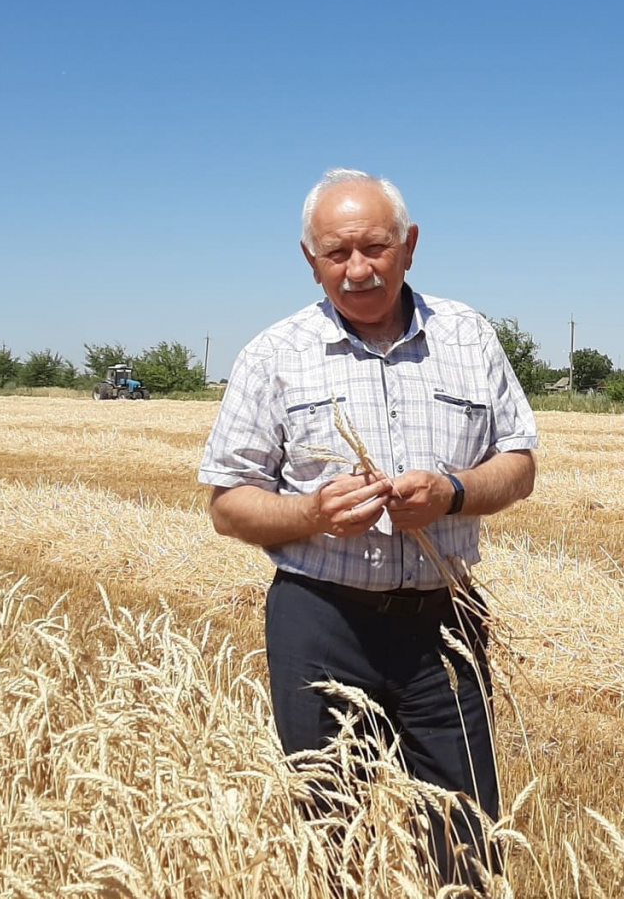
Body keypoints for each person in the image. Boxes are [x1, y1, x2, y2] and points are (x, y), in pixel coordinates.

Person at [198, 168, 537, 887]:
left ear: (409, 245)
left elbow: (520, 464)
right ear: (309, 259)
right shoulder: (273, 355)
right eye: (336, 253)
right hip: (321, 620)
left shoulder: (468, 337)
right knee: (330, 840)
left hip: (443, 625)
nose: (357, 269)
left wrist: (452, 492)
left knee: (466, 839)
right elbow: (227, 502)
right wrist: (312, 513)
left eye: (375, 247)